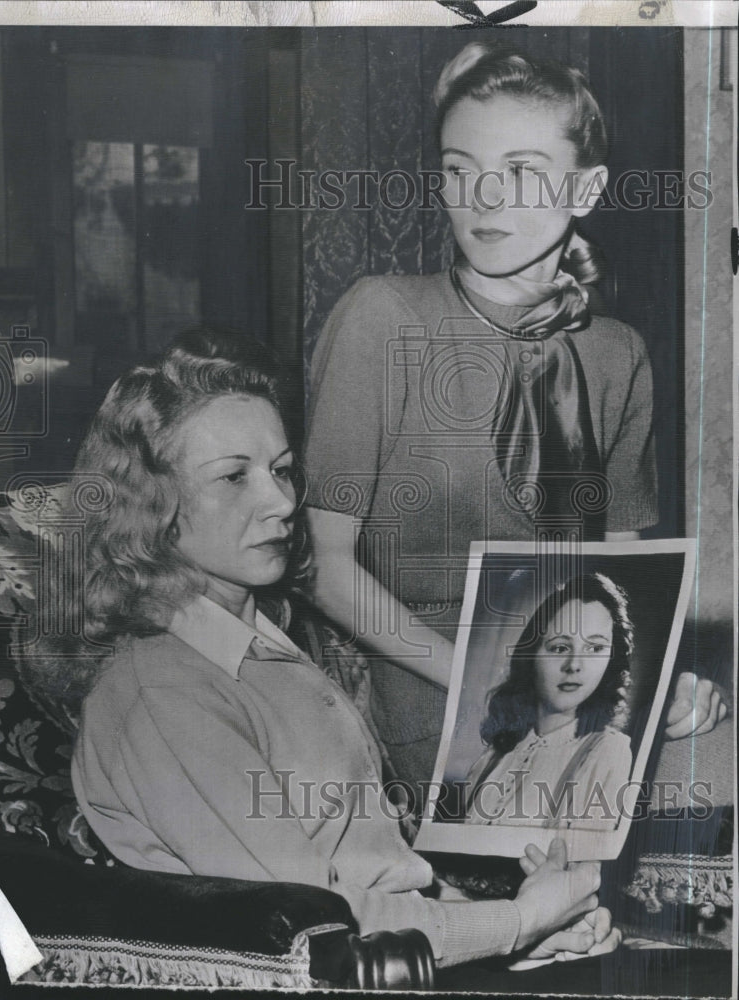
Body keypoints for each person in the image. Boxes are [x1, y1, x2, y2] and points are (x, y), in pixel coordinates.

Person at [62, 335, 618, 968]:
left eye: (282, 468)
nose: (282, 502)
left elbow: (375, 874)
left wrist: (530, 927)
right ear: (151, 506)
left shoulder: (267, 649)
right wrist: (521, 920)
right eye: (234, 477)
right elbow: (307, 921)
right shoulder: (162, 693)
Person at [303, 41, 725, 800]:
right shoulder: (384, 317)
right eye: (461, 171)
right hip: (423, 683)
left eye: (523, 171)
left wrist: (663, 682)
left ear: (587, 188)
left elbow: (622, 574)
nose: (484, 199)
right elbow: (324, 567)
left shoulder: (618, 353)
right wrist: (483, 677)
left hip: (574, 678)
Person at [465, 573, 633, 829]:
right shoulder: (495, 755)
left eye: (595, 649)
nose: (574, 665)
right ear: (531, 655)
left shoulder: (608, 751)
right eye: (559, 647)